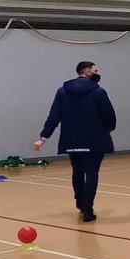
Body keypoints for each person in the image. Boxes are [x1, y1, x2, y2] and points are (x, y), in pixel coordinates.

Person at [32, 61, 116, 222]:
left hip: (72, 139)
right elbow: (109, 114)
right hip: (95, 139)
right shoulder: (98, 92)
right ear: (88, 73)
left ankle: (80, 200)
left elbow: (54, 115)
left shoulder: (63, 92)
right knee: (92, 173)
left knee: (77, 171)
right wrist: (108, 129)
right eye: (96, 70)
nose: (98, 73)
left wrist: (43, 138)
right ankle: (88, 209)